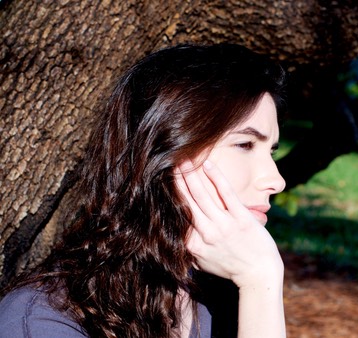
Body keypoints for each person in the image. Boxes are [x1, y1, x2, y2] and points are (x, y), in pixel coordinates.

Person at [0, 43, 287, 338]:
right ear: (164, 150)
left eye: (271, 152)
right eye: (244, 145)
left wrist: (259, 285)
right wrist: (260, 279)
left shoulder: (223, 290)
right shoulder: (41, 321)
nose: (276, 181)